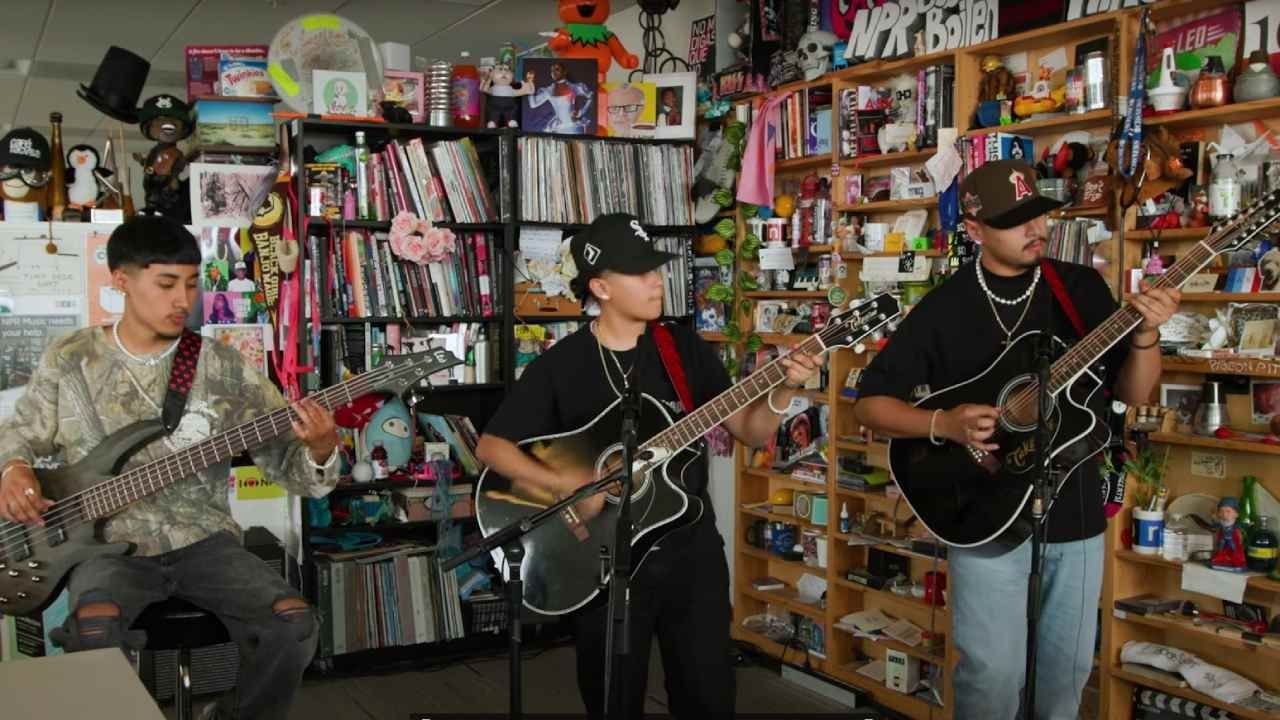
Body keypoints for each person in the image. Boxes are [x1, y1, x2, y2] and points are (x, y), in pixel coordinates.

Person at [852, 160, 1180, 720]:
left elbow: (1132, 391)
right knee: (991, 675)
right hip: (981, 509)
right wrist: (944, 424)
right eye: (1016, 221)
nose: (1037, 230)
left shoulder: (1077, 289)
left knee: (1067, 673)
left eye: (1039, 216)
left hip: (1074, 507)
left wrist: (1146, 334)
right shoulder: (944, 308)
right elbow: (870, 404)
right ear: (975, 231)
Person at [475, 212, 822, 719]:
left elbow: (750, 430)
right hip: (603, 558)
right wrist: (567, 481)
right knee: (614, 699)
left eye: (655, 268)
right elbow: (492, 447)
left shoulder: (680, 349)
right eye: (638, 272)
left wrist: (786, 386)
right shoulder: (564, 363)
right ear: (601, 286)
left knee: (708, 696)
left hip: (691, 549)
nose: (655, 279)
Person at [0, 214, 341, 720]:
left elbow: (287, 467)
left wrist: (320, 447)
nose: (183, 299)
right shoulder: (71, 357)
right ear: (121, 281)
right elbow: (20, 432)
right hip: (106, 547)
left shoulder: (223, 367)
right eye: (165, 284)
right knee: (94, 631)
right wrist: (12, 469)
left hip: (205, 542)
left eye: (190, 284)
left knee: (294, 626)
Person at [527, 61, 594, 134]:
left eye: (557, 69)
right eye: (552, 70)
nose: (554, 72)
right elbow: (533, 104)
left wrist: (582, 112)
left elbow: (590, 97)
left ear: (564, 71)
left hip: (575, 127)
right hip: (559, 127)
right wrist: (530, 82)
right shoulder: (549, 91)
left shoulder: (575, 87)